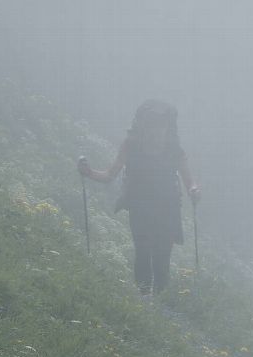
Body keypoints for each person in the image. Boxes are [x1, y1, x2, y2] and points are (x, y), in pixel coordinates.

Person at [78, 100, 201, 296]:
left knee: (161, 259)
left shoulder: (174, 151)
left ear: (168, 127)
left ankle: (159, 303)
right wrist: (89, 172)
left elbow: (189, 181)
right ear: (143, 125)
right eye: (152, 124)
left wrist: (194, 190)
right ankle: (146, 300)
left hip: (167, 210)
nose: (157, 130)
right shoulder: (131, 146)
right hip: (141, 208)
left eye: (161, 125)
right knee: (143, 253)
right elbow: (110, 174)